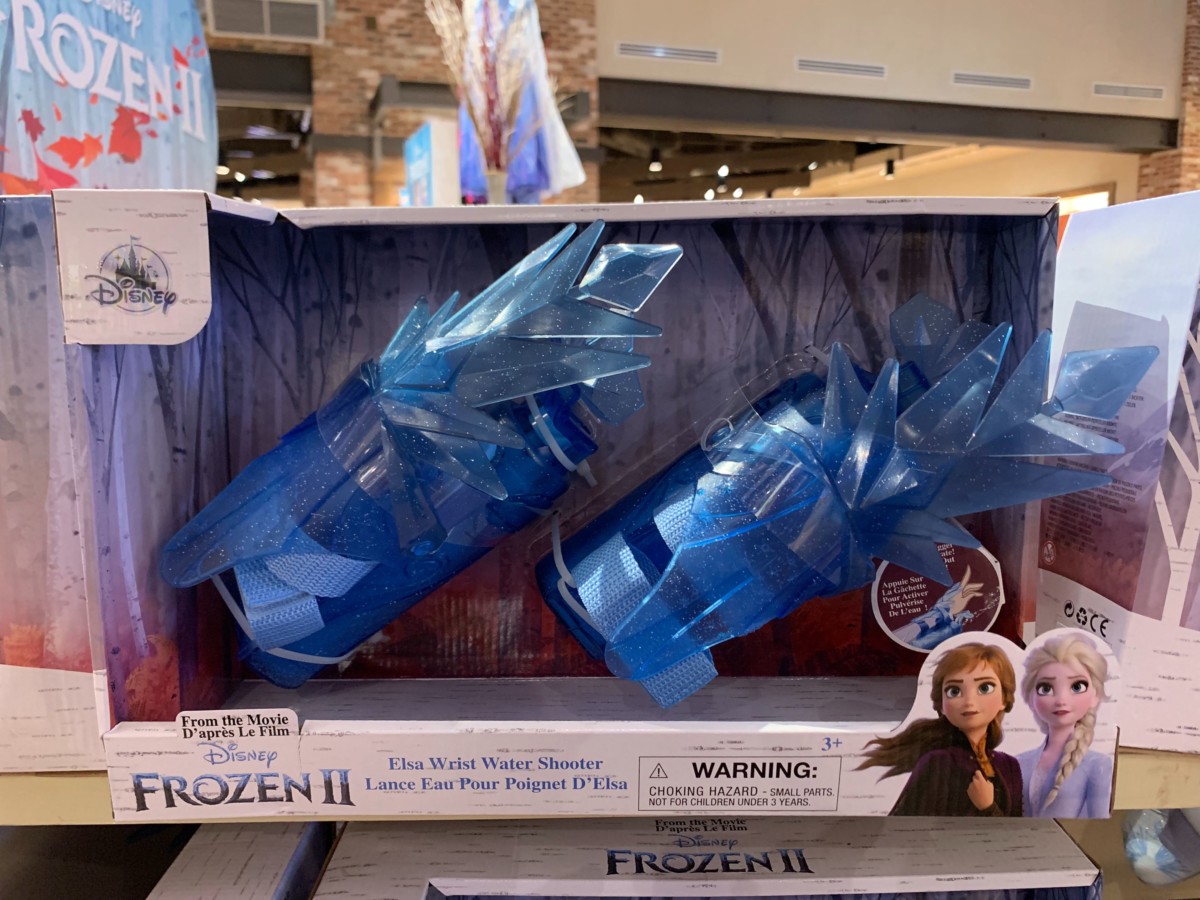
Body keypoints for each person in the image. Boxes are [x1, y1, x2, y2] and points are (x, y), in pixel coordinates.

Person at [861, 642, 1023, 816]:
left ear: (1004, 699)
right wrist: (987, 809)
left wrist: (988, 807)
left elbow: (1017, 828)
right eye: (954, 691)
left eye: (985, 688)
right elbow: (913, 827)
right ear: (942, 705)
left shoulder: (1010, 765)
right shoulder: (938, 762)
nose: (969, 701)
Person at [1017, 633, 1111, 818]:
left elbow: (1097, 825)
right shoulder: (1018, 762)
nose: (1061, 700)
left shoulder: (1097, 765)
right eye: (1046, 688)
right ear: (1031, 697)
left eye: (1077, 687)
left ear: (1095, 695)